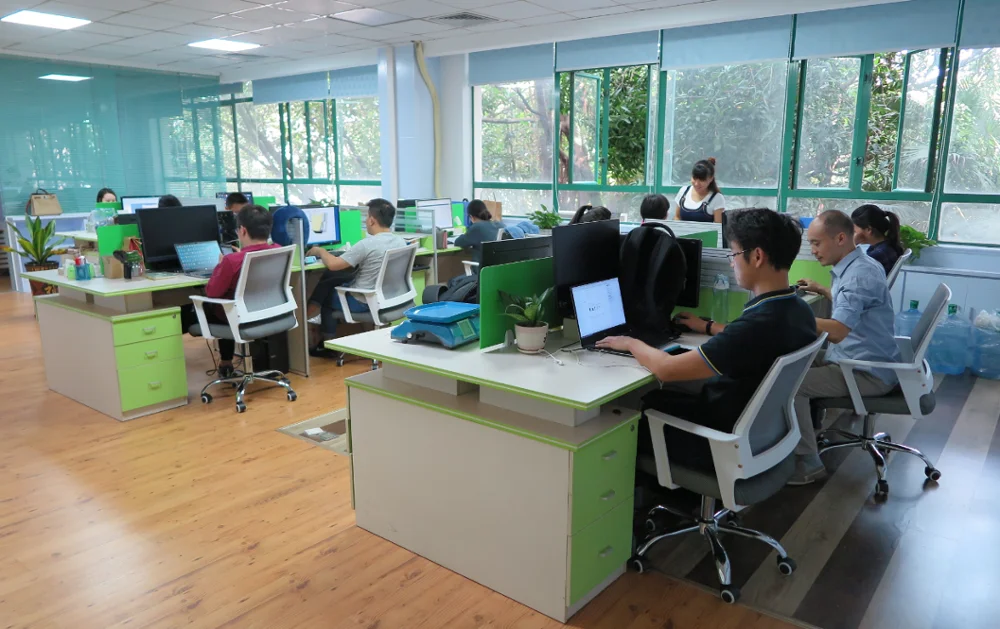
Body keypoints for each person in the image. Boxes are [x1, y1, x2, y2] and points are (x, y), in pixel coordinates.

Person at [597, 208, 817, 472]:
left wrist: (631, 343)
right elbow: (752, 341)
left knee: (642, 405)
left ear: (757, 256)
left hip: (718, 440)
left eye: (734, 254)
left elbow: (667, 369)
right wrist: (708, 326)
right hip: (758, 435)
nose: (732, 263)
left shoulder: (756, 325)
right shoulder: (798, 310)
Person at [793, 210, 901, 484]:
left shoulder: (857, 275)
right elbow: (852, 304)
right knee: (792, 359)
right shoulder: (861, 264)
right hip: (864, 358)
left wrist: (790, 316)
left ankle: (806, 462)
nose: (813, 250)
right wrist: (824, 290)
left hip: (866, 371)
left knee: (790, 383)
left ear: (841, 238)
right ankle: (807, 432)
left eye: (816, 243)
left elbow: (838, 331)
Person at [307, 198, 407, 355]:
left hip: (363, 301)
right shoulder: (400, 241)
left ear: (372, 220)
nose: (366, 221)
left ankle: (328, 347)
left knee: (326, 296)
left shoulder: (366, 244)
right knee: (332, 279)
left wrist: (320, 251)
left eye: (367, 217)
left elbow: (333, 264)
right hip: (389, 296)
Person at [204, 205, 279, 378]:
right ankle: (227, 362)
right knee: (229, 301)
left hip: (239, 317)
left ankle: (226, 363)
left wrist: (221, 266)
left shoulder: (231, 261)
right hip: (269, 313)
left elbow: (212, 293)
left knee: (214, 305)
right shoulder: (278, 249)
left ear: (243, 230)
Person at [851, 204, 904, 276]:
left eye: (854, 231)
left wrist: (851, 245)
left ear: (869, 229)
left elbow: (851, 274)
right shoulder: (888, 245)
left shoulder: (877, 255)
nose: (852, 234)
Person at [455, 199, 507, 264]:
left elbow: (458, 242)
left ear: (471, 217)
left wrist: (464, 234)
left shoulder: (477, 227)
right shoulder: (501, 225)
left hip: (481, 269)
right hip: (497, 268)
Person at [674, 158, 725, 223]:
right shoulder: (683, 191)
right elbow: (677, 217)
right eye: (694, 178)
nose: (696, 184)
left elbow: (718, 226)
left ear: (711, 179)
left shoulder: (717, 198)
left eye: (702, 180)